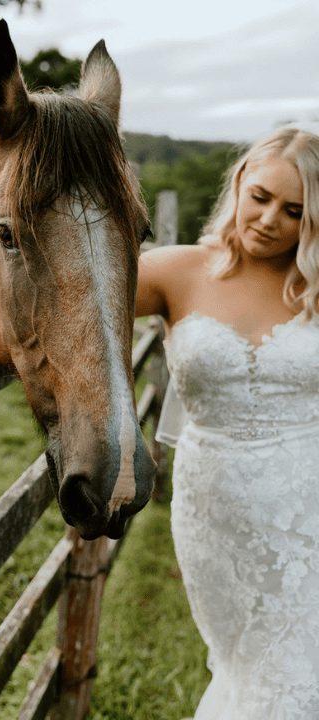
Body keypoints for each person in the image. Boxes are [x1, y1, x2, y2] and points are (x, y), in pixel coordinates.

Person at [137, 126, 319, 718]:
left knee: (297, 671)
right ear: (239, 182)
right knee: (244, 663)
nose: (269, 219)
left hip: (308, 506)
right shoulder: (177, 271)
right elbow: (66, 290)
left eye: (294, 211)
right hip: (212, 513)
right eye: (261, 196)